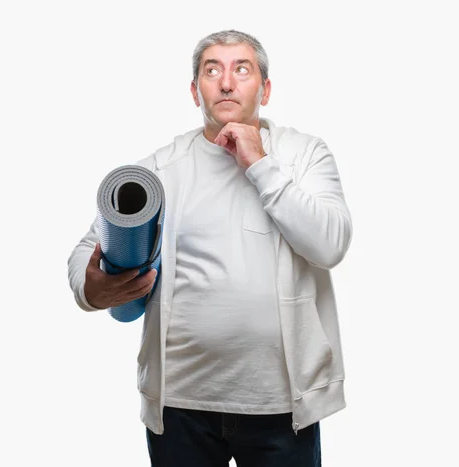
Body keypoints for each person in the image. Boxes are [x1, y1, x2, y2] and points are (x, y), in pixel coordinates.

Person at [67, 29, 353, 467]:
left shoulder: (303, 155)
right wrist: (90, 290)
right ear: (194, 90)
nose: (226, 82)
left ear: (266, 88)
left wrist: (260, 164)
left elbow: (330, 244)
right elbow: (87, 249)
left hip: (281, 407)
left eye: (242, 69)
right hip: (181, 406)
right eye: (211, 70)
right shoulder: (161, 168)